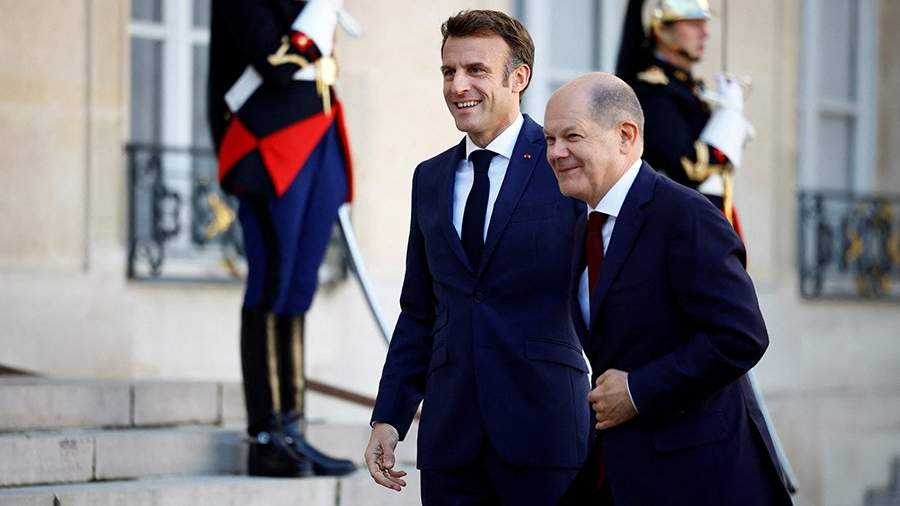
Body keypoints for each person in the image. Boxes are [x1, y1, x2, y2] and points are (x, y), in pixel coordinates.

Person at [363, 10, 590, 505]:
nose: (457, 85)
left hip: (545, 433)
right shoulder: (429, 178)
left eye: (476, 70)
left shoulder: (565, 164)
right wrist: (389, 416)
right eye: (449, 71)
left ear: (519, 78)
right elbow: (419, 310)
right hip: (450, 443)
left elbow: (608, 289)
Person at [544, 72, 792, 505]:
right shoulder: (584, 227)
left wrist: (638, 391)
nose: (555, 153)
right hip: (620, 473)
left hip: (698, 480)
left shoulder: (686, 215)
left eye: (571, 137)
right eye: (549, 139)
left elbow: (741, 336)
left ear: (625, 136)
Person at [207, 0, 355, 478]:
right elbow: (275, 61)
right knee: (272, 283)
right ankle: (266, 437)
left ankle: (293, 430)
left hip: (320, 132)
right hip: (267, 139)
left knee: (298, 289)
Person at [616, 0, 752, 237]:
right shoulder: (652, 92)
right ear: (662, 29)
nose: (704, 33)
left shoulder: (686, 86)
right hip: (674, 225)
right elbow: (688, 168)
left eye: (704, 24)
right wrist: (728, 122)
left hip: (699, 218)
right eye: (693, 23)